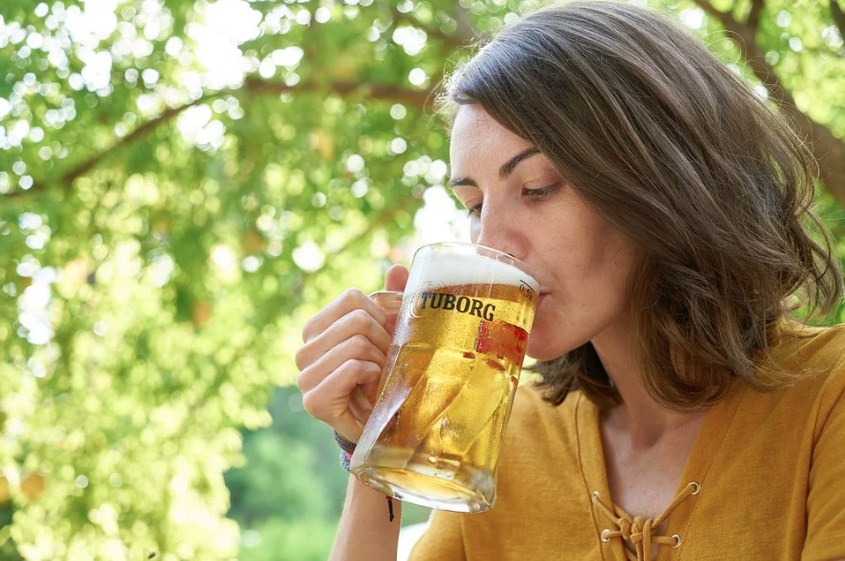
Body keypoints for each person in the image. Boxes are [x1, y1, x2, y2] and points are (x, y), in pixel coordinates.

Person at [294, 1, 845, 560]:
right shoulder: (509, 441)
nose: (494, 245)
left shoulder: (829, 398)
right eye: (475, 204)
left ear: (662, 178)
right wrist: (378, 440)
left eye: (536, 188)